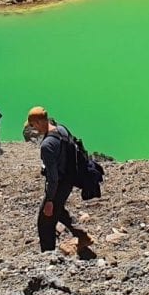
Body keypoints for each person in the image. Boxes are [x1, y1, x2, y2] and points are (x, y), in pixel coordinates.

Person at [26, 106, 92, 255]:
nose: (33, 129)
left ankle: (49, 257)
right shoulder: (62, 129)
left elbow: (53, 178)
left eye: (32, 125)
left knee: (45, 222)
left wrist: (49, 200)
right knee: (59, 210)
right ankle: (82, 235)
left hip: (59, 184)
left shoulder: (47, 145)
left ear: (38, 122)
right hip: (69, 179)